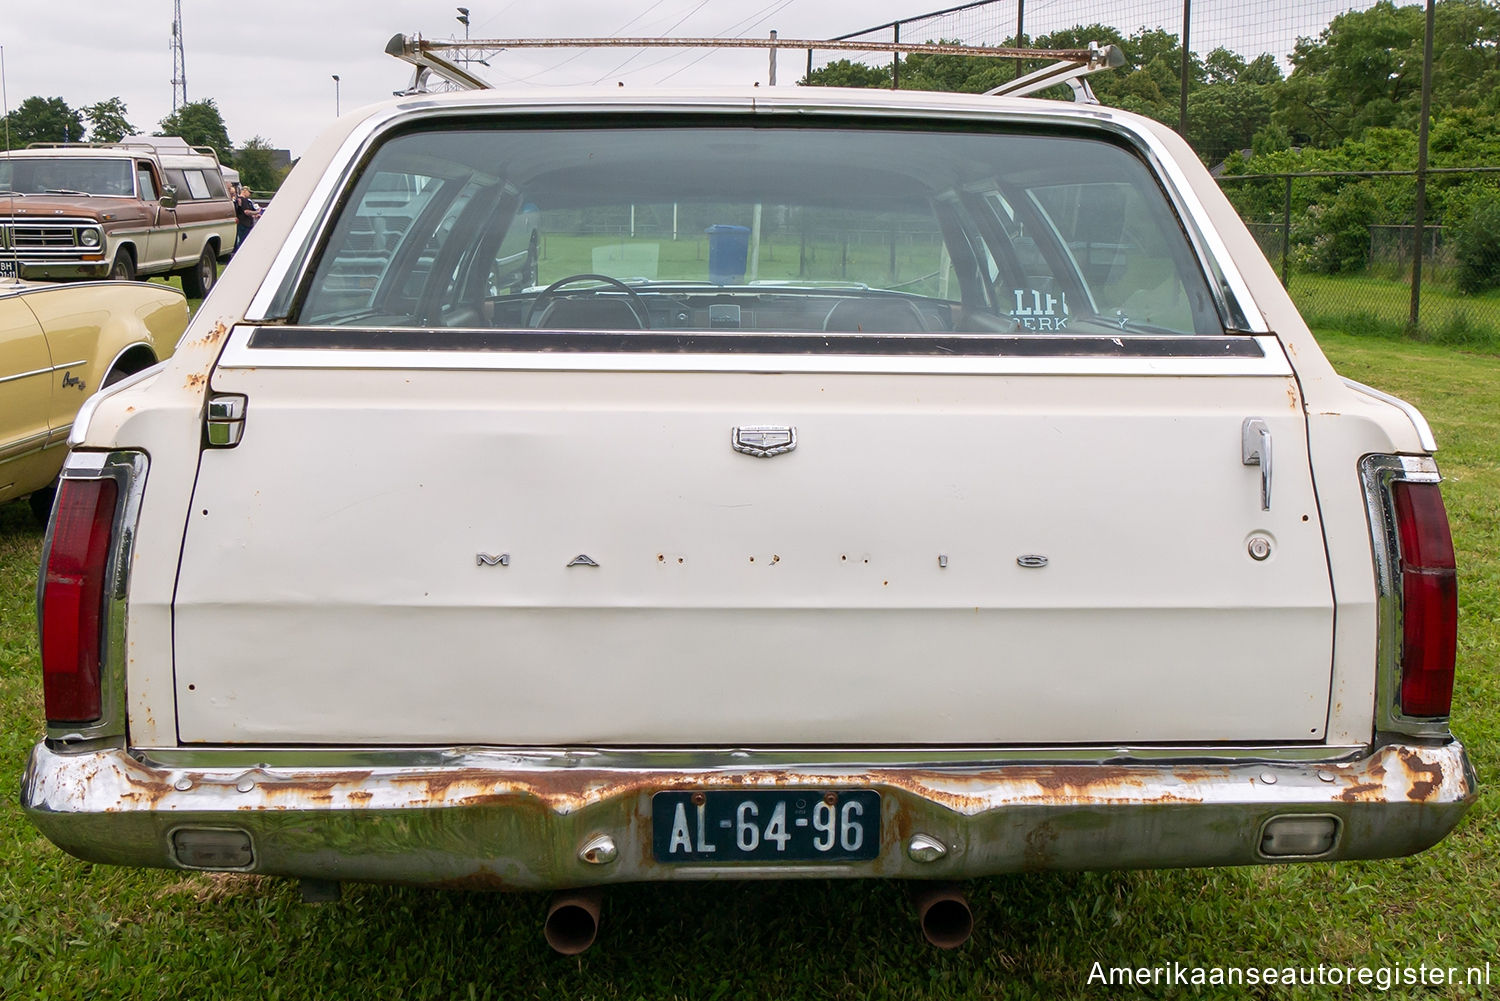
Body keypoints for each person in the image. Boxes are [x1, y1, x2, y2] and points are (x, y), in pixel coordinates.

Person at [232, 184, 260, 254]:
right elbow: (246, 212)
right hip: (243, 225)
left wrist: (255, 215)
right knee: (242, 242)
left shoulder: (247, 201)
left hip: (247, 224)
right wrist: (257, 212)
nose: (250, 194)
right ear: (244, 191)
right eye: (249, 192)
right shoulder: (242, 199)